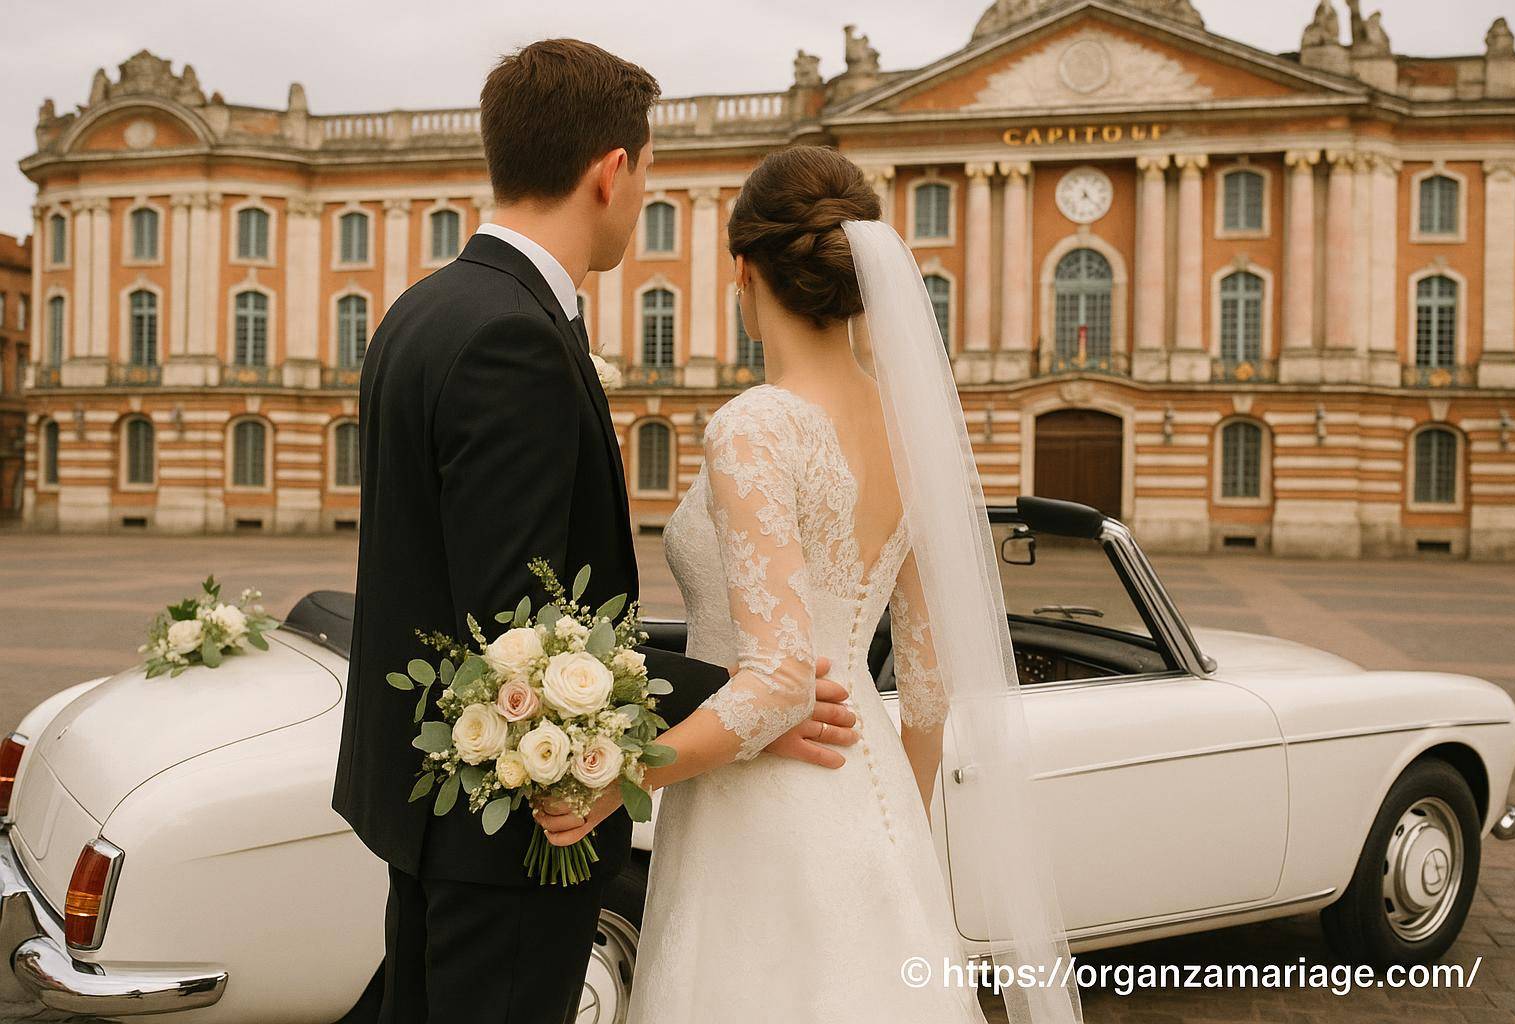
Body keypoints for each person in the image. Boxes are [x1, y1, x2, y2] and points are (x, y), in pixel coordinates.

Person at [331, 41, 857, 1024]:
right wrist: (757, 695)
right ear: (611, 171)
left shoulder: (421, 311)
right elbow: (521, 620)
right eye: (647, 173)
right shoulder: (515, 338)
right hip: (511, 827)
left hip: (427, 805)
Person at [539, 146, 1084, 1023]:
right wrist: (889, 834)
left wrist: (624, 775)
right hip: (872, 791)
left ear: (743, 272)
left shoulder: (757, 424)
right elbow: (930, 694)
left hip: (755, 810)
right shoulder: (912, 429)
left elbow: (782, 677)